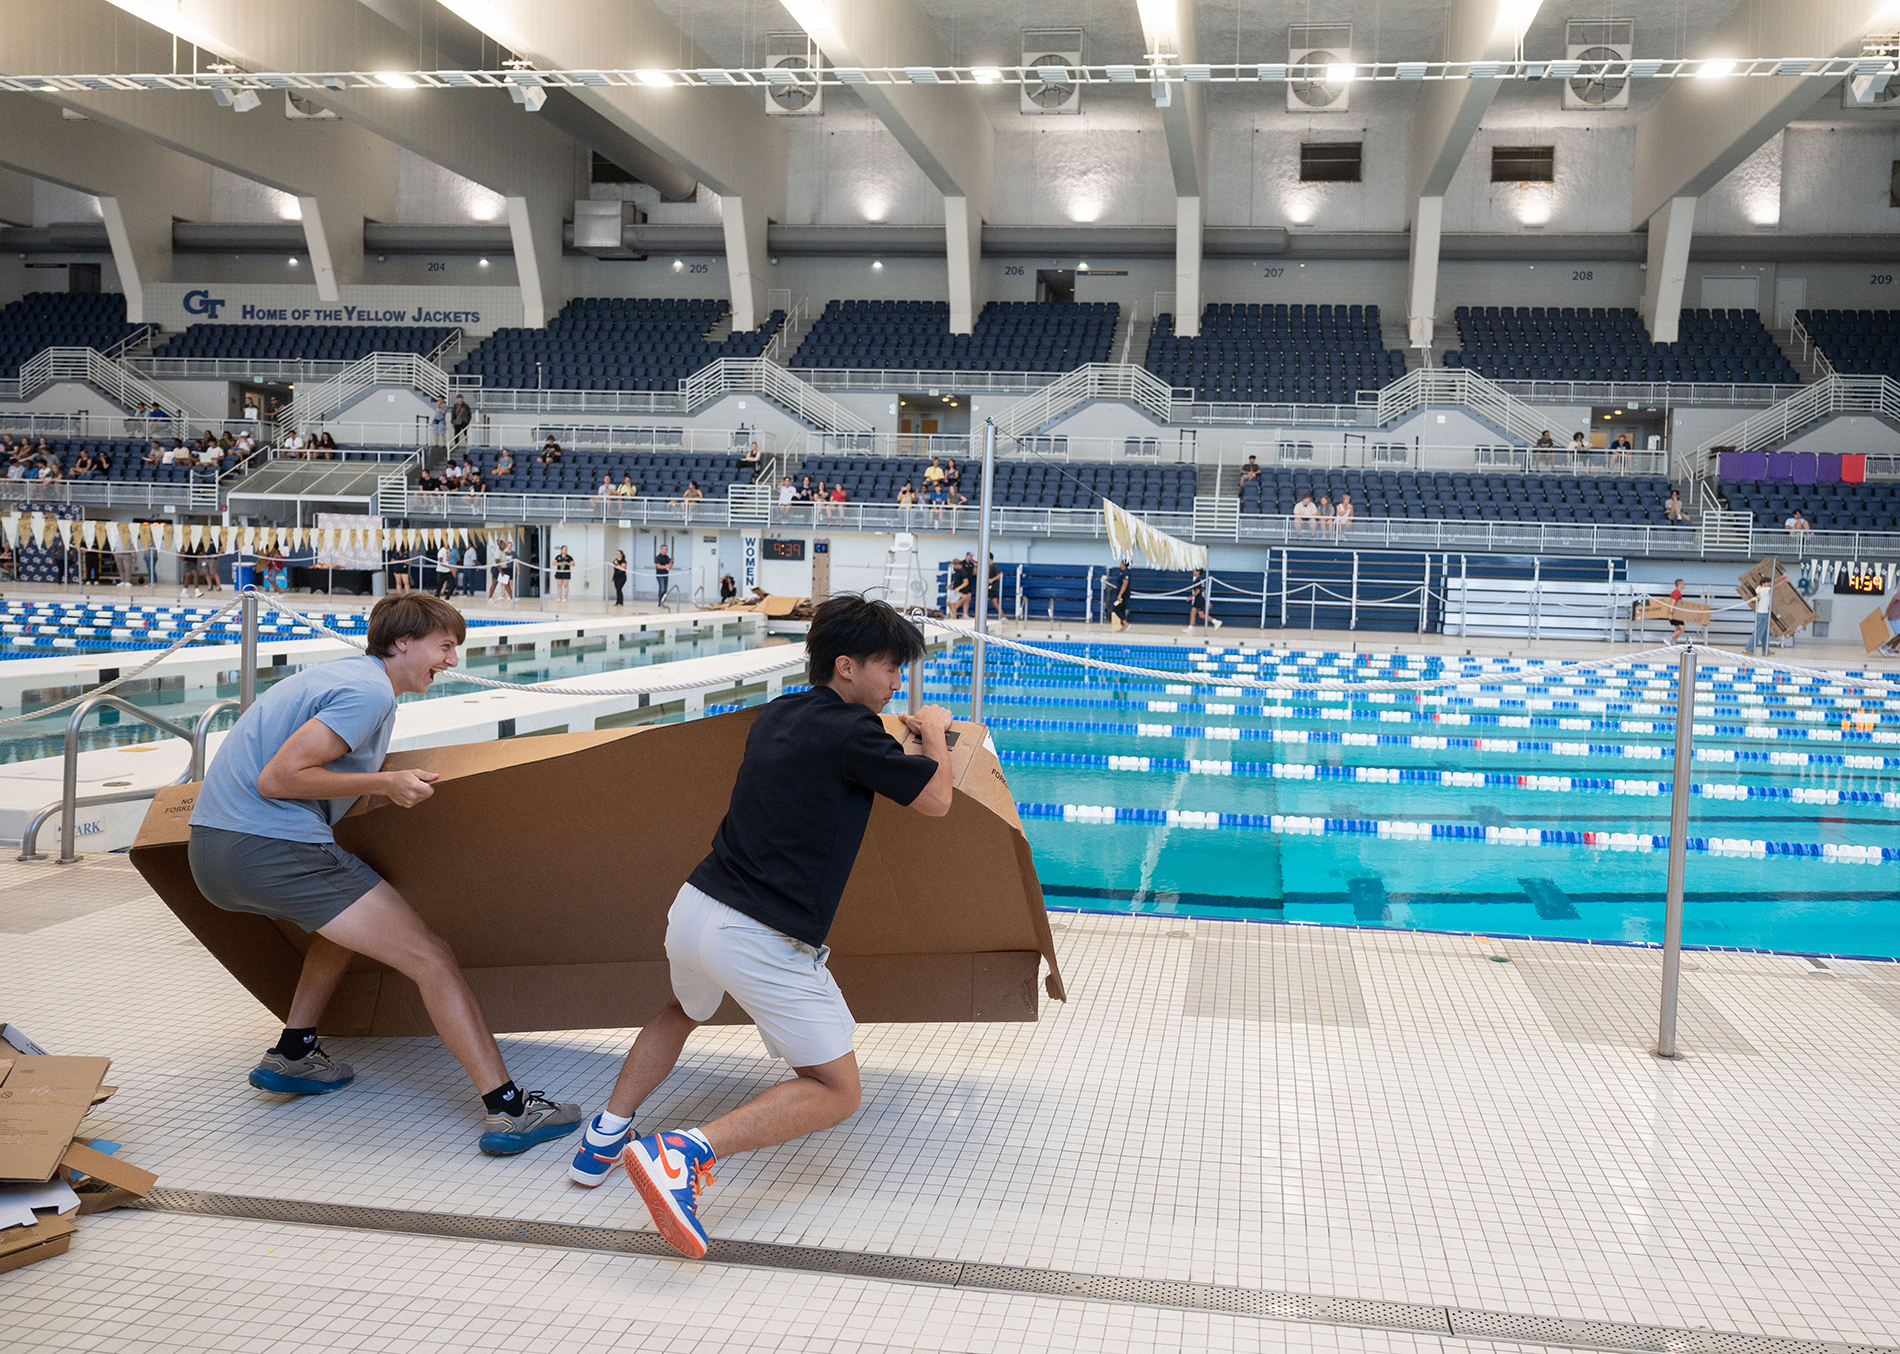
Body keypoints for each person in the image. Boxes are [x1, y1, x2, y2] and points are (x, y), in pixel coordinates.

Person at [567, 596, 952, 1257]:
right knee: (836, 1090)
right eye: (890, 668)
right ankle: (682, 1153)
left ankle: (604, 1136)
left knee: (683, 1010)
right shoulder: (855, 733)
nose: (897, 682)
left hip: (695, 907)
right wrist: (936, 730)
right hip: (757, 934)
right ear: (847, 666)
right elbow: (937, 800)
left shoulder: (778, 713)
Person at [187, 594, 581, 1155]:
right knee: (432, 957)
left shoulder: (346, 678)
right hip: (269, 846)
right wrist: (385, 783)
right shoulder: (367, 691)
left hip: (213, 853)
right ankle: (511, 1110)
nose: (451, 661)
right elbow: (279, 778)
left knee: (346, 921)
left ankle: (294, 1053)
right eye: (445, 646)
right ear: (403, 643)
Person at [1745, 568, 1777, 655]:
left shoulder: (1759, 588)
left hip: (1765, 613)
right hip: (1761, 614)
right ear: (1763, 584)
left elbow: (1772, 583)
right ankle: (1749, 649)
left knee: (1766, 633)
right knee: (1758, 632)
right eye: (1767, 583)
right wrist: (1784, 581)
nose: (1769, 584)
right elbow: (1774, 587)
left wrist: (1782, 578)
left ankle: (1765, 650)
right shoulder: (1763, 590)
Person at [1185, 567, 1221, 633]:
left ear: (1198, 572)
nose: (1193, 571)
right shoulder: (1202, 580)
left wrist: (1191, 597)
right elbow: (1204, 591)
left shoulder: (1197, 580)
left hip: (1199, 600)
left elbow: (1198, 591)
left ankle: (1215, 621)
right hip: (1199, 599)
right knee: (1193, 612)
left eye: (1195, 570)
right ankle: (1190, 629)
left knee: (1201, 615)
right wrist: (1207, 600)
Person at [946, 553, 974, 619]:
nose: (954, 567)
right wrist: (950, 584)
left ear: (957, 564)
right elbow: (956, 579)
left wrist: (958, 588)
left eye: (954, 565)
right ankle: (954, 615)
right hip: (955, 588)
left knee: (953, 604)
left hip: (960, 590)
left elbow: (966, 582)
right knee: (948, 603)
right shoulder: (957, 571)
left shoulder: (963, 572)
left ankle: (954, 617)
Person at [1107, 558, 1132, 632]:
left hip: (1123, 594)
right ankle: (1123, 627)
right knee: (1122, 609)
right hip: (1120, 593)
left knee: (1116, 608)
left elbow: (1125, 584)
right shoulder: (1121, 572)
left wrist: (1120, 594)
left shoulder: (1125, 573)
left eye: (1121, 563)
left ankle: (1125, 623)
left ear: (1123, 564)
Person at [1667, 578, 1687, 645]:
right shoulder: (1677, 593)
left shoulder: (1676, 592)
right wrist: (1671, 613)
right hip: (1675, 614)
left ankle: (1673, 642)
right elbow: (1672, 602)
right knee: (1682, 629)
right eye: (1683, 584)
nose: (1684, 585)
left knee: (1678, 629)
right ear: (1680, 584)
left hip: (1676, 614)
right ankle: (1669, 638)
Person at [986, 552, 1004, 620]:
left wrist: (992, 580)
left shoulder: (994, 566)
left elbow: (1000, 574)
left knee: (984, 600)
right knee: (995, 603)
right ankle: (1003, 616)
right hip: (990, 587)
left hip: (992, 587)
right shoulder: (988, 566)